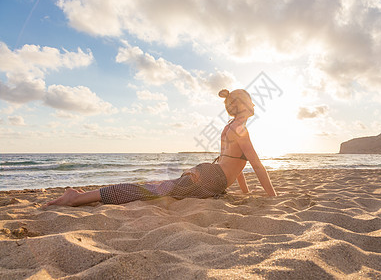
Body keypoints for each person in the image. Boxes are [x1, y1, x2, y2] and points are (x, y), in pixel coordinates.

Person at [43, 88, 276, 207]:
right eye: (251, 102)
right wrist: (272, 196)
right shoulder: (242, 131)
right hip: (209, 179)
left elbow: (235, 163)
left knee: (154, 188)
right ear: (246, 105)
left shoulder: (230, 126)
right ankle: (76, 198)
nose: (255, 106)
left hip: (208, 173)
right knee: (148, 190)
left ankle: (86, 195)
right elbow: (256, 166)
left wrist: (245, 193)